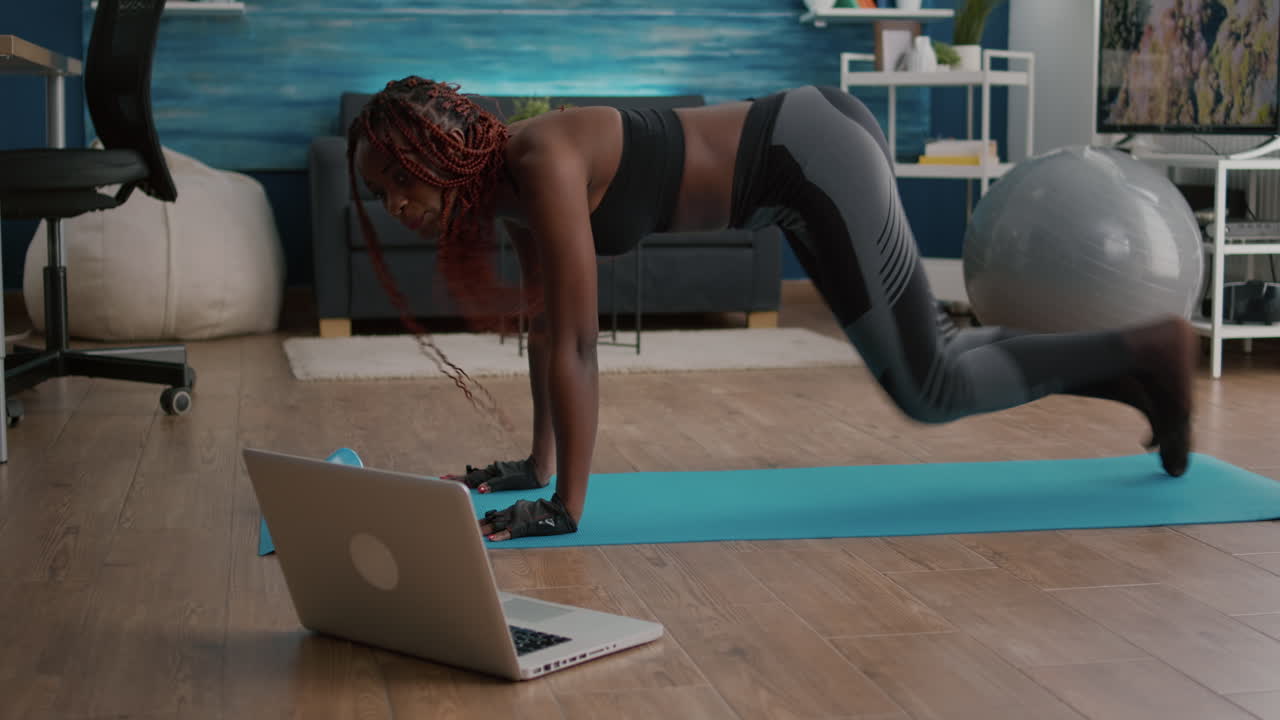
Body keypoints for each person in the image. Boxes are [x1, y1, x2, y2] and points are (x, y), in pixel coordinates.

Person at [347, 77, 1198, 542]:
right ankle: (1140, 375)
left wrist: (565, 509)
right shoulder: (508, 192)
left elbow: (578, 342)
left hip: (807, 152)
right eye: (377, 197)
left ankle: (1149, 349)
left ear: (437, 148)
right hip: (793, 171)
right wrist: (533, 468)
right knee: (929, 366)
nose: (395, 206)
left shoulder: (541, 160)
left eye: (396, 182)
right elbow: (543, 332)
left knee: (928, 382)